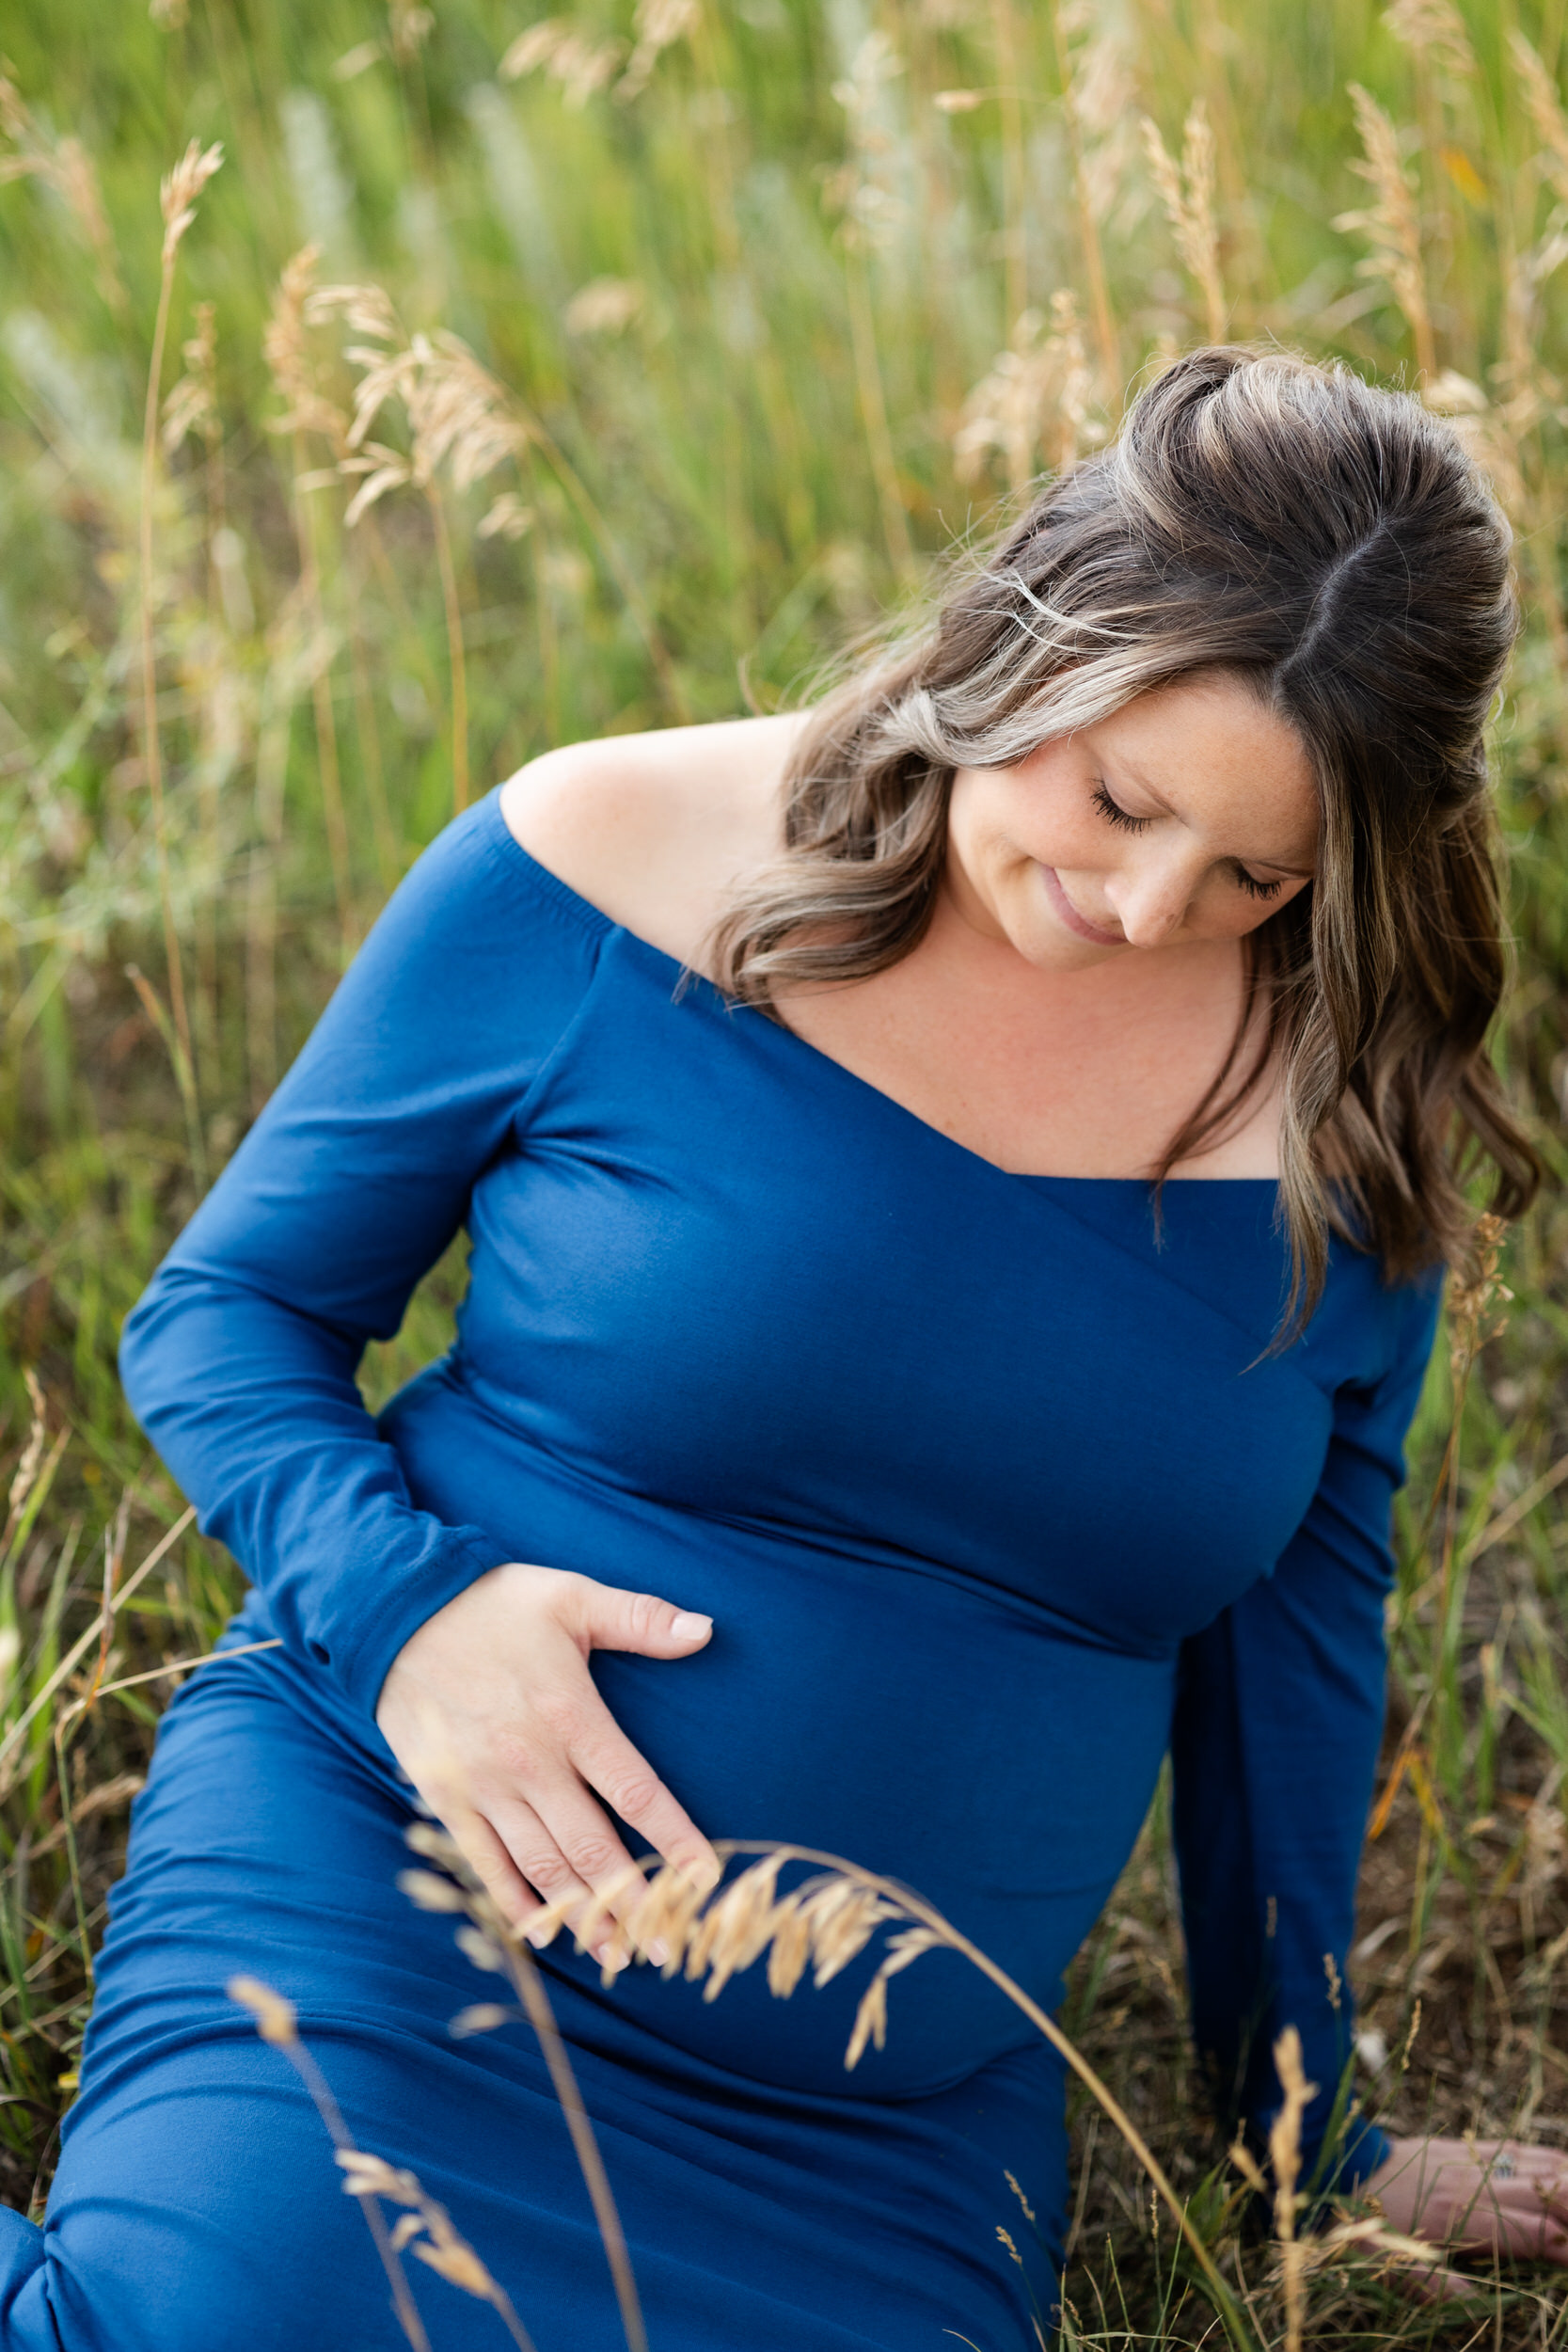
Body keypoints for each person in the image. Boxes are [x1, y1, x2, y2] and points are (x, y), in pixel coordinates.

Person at [0, 345, 1560, 2351]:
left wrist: (1303, 2131)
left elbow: (1297, 1649)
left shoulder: (1343, 1103)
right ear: (1023, 640)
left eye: (1259, 873)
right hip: (403, 1902)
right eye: (1120, 799)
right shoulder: (608, 858)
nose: (1152, 905)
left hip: (879, 2131)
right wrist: (410, 1616)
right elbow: (227, 1312)